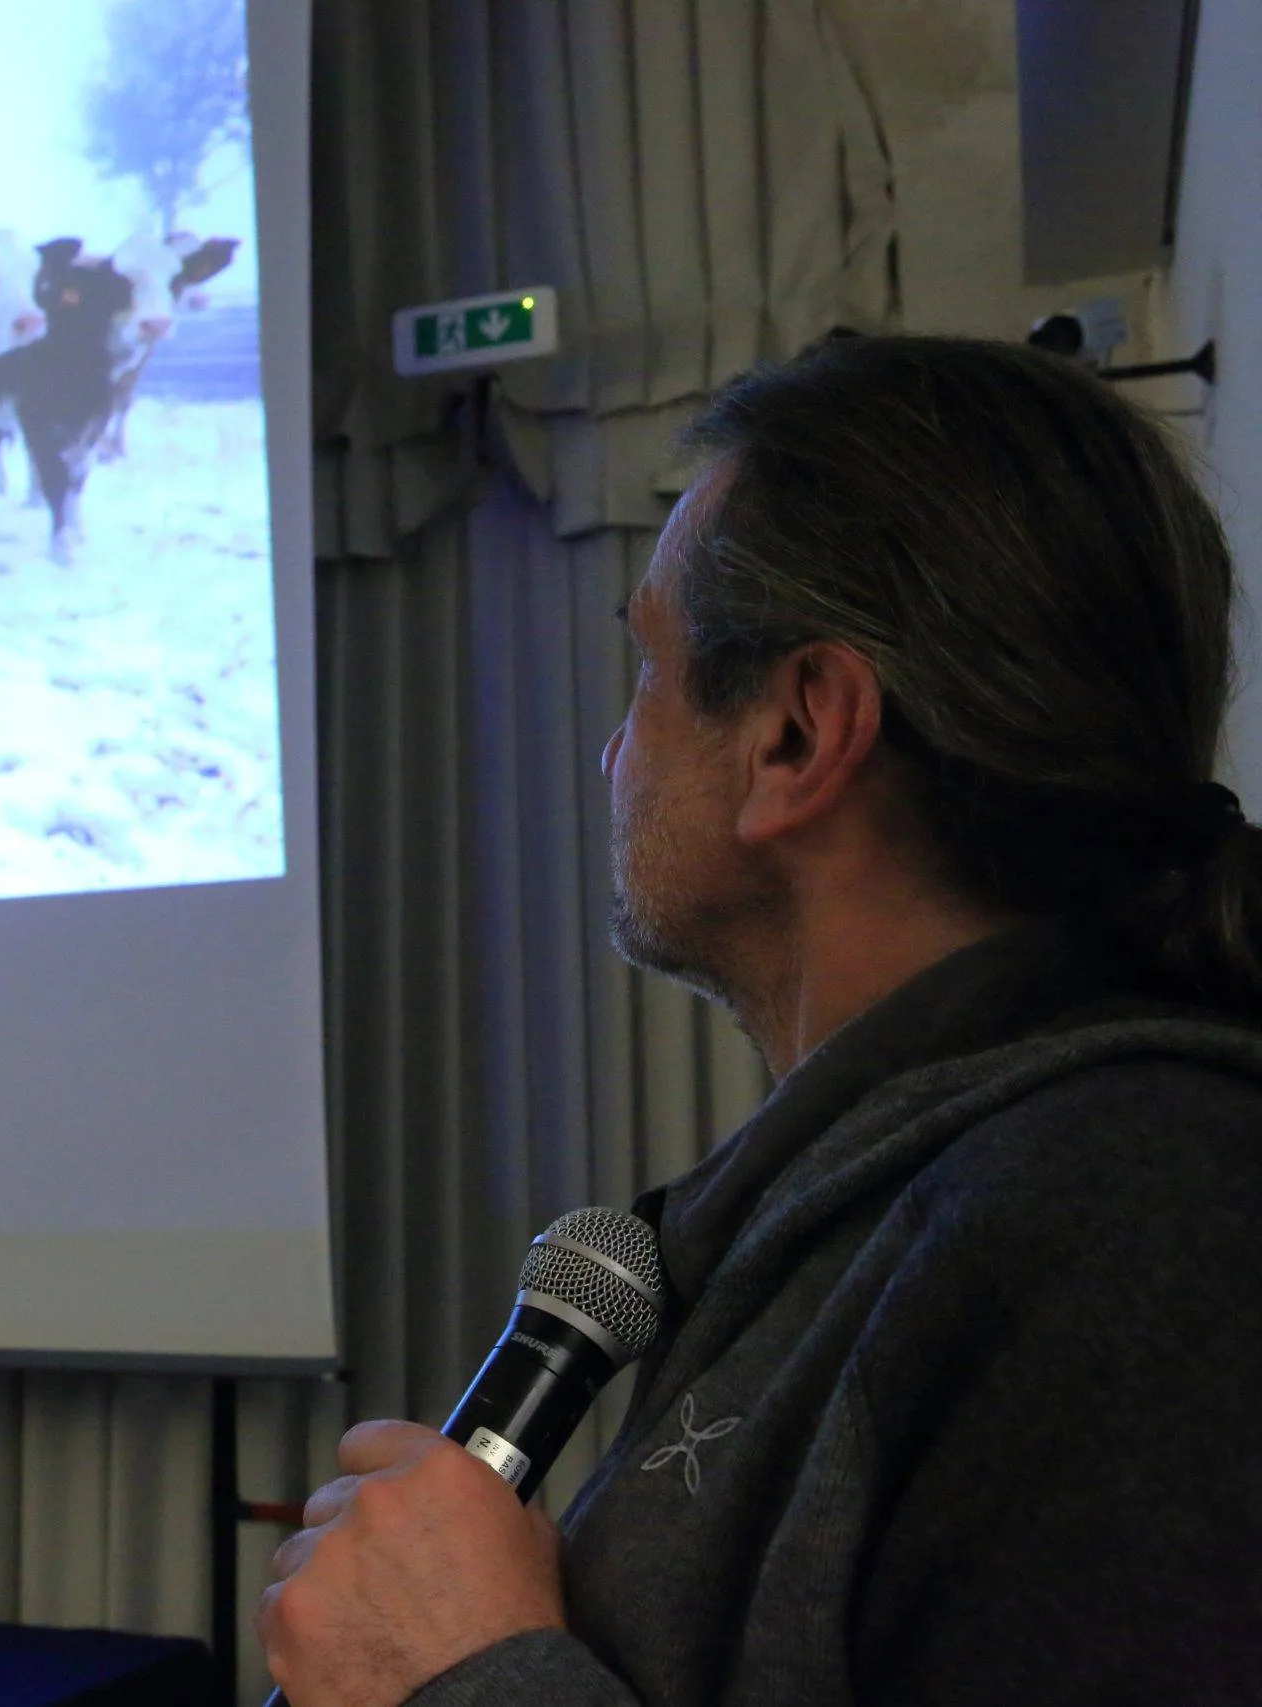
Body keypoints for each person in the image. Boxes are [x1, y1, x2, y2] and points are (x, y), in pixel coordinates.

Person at [257, 335, 1262, 1705]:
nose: (615, 750)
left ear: (798, 732)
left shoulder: (1132, 1223)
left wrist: (462, 1667)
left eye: (650, 672)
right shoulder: (916, 1205)